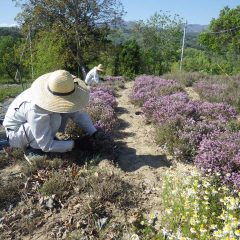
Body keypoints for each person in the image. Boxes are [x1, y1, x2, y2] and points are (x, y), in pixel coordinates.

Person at [3, 70, 99, 163]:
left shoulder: (58, 89)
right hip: (15, 133)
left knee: (64, 111)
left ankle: (52, 139)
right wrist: (75, 144)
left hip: (27, 127)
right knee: (55, 118)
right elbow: (46, 145)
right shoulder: (35, 107)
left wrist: (93, 132)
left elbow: (77, 114)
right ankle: (33, 150)